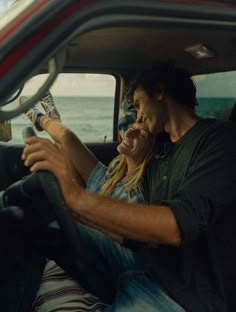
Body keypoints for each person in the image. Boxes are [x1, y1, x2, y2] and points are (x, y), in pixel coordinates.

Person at [22, 63, 236, 312]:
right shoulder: (162, 154)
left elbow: (176, 226)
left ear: (159, 92)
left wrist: (75, 197)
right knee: (34, 219)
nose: (138, 116)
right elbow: (133, 214)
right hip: (144, 264)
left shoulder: (220, 140)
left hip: (183, 296)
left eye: (138, 104)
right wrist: (69, 209)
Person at [18, 92, 157, 311]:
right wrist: (41, 119)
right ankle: (54, 118)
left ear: (153, 148)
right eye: (133, 123)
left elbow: (69, 140)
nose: (131, 129)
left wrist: (38, 117)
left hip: (98, 265)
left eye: (142, 132)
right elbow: (69, 142)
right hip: (74, 251)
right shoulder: (110, 174)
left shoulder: (144, 193)